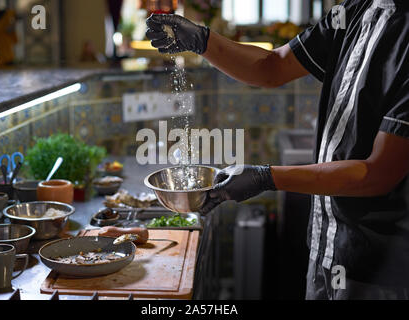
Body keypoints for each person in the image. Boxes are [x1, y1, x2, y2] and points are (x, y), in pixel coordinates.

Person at [146, 0, 409, 300]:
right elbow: (272, 66)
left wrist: (266, 178)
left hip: (381, 270)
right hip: (327, 250)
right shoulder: (356, 10)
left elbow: (377, 174)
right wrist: (204, 41)